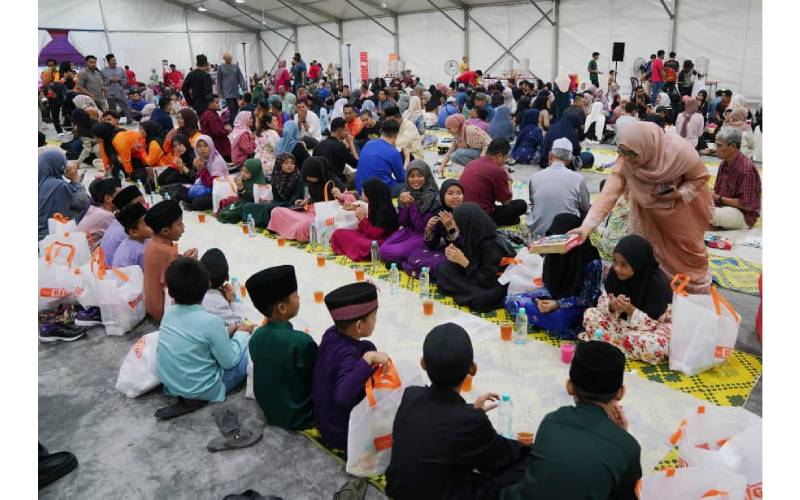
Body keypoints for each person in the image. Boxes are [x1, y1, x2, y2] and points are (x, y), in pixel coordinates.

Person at [386, 323, 529, 500]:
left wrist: (470, 412)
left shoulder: (410, 396)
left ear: (423, 363)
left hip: (398, 492)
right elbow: (507, 455)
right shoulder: (470, 421)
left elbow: (439, 425)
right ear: (472, 369)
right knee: (523, 465)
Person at [571, 121, 713, 294]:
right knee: (649, 254)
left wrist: (679, 193)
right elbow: (609, 194)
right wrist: (586, 227)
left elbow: (699, 177)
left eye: (632, 154)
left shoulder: (681, 152)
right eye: (622, 152)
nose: (627, 158)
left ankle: (690, 293)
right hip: (647, 214)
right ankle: (656, 294)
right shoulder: (625, 160)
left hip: (680, 215)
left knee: (687, 258)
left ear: (647, 147)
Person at [502, 341, 641, 500]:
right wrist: (621, 436)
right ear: (620, 393)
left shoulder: (551, 421)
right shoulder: (628, 447)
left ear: (569, 386)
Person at [155, 257, 252, 418]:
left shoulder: (169, 313)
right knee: (249, 350)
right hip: (203, 390)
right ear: (207, 286)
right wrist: (242, 333)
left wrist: (230, 330)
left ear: (170, 292)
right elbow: (229, 361)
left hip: (171, 385)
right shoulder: (211, 322)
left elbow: (197, 335)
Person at [312, 282, 389, 449]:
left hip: (324, 419)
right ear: (359, 326)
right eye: (374, 317)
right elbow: (342, 396)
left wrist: (363, 293)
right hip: (341, 433)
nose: (375, 321)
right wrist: (367, 358)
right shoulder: (349, 355)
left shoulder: (331, 333)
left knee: (367, 346)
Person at [506, 214, 602, 339]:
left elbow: (588, 298)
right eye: (555, 239)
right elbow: (547, 284)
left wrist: (558, 304)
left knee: (560, 318)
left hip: (574, 306)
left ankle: (542, 321)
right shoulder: (553, 252)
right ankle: (544, 320)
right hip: (552, 299)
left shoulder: (590, 259)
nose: (558, 244)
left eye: (562, 240)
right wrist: (541, 300)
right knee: (512, 301)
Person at [580, 235, 673, 365]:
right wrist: (612, 305)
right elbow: (602, 301)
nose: (617, 268)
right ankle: (621, 344)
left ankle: (609, 341)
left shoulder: (656, 284)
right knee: (590, 314)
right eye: (615, 262)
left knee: (657, 345)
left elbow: (656, 323)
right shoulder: (615, 275)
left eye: (624, 265)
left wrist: (631, 310)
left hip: (649, 330)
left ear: (638, 264)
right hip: (621, 326)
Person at [247, 265, 317, 431]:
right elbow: (317, 380)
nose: (299, 298)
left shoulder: (255, 337)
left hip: (269, 412)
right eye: (295, 295)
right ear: (282, 308)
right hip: (300, 415)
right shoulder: (301, 342)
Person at [436, 203, 514, 312]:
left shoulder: (491, 245)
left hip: (495, 280)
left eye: (457, 222)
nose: (456, 225)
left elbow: (486, 282)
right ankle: (464, 292)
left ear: (468, 223)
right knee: (444, 268)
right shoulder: (474, 234)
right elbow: (463, 249)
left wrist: (464, 262)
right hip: (476, 272)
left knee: (482, 299)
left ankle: (462, 291)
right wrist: (451, 231)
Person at [378, 160, 443, 274]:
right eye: (412, 176)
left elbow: (422, 228)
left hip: (425, 236)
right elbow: (403, 222)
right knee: (383, 250)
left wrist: (411, 206)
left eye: (420, 175)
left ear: (427, 176)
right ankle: (411, 258)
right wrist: (405, 206)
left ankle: (407, 263)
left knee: (395, 252)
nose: (416, 180)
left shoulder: (434, 198)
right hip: (408, 232)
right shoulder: (405, 193)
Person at [267, 157, 349, 242]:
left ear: (319, 173)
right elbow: (314, 197)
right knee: (276, 211)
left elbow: (352, 200)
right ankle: (291, 230)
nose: (308, 178)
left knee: (306, 225)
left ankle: (292, 231)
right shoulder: (312, 181)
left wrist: (340, 196)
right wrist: (305, 201)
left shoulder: (334, 182)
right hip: (308, 211)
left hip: (322, 215)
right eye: (307, 176)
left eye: (310, 176)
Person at [143, 200, 198, 325]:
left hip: (152, 306)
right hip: (164, 312)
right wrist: (189, 264)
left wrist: (182, 259)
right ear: (165, 231)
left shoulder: (151, 243)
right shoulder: (168, 253)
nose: (183, 228)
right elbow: (178, 284)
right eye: (179, 224)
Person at [528, 138, 591, 236]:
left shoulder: (535, 177)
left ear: (550, 155)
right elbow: (585, 207)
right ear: (569, 160)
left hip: (538, 232)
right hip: (565, 234)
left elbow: (533, 202)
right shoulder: (578, 179)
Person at [460, 138, 527, 227]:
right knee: (521, 205)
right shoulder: (497, 171)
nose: (506, 161)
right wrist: (508, 179)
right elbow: (506, 202)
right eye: (506, 158)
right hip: (482, 216)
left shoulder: (472, 163)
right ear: (499, 156)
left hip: (463, 212)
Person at [331, 178, 399, 261]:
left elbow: (376, 235)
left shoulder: (385, 211)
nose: (361, 193)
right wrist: (355, 208)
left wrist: (362, 219)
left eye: (364, 191)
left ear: (371, 193)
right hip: (369, 236)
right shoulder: (373, 204)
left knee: (368, 245)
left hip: (382, 241)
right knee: (338, 233)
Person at [711, 127, 762, 229]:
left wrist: (718, 198)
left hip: (743, 215)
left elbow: (748, 206)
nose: (716, 149)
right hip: (724, 207)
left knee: (705, 213)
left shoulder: (746, 170)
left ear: (733, 146)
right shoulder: (724, 164)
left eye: (719, 145)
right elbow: (717, 191)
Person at [37, 148, 90, 240]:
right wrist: (75, 180)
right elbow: (83, 201)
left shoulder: (41, 180)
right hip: (49, 236)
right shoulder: (59, 185)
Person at [243, 153, 304, 228]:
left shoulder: (298, 178)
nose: (289, 165)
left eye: (292, 163)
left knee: (271, 208)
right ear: (279, 164)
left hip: (289, 205)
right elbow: (268, 194)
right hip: (273, 203)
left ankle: (266, 224)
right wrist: (265, 199)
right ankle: (257, 222)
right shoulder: (273, 178)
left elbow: (296, 198)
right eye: (285, 163)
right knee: (248, 205)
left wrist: (277, 203)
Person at [355, 119, 407, 196]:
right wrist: (407, 158)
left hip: (360, 189)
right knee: (410, 184)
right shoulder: (393, 152)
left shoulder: (368, 144)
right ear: (397, 134)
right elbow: (402, 178)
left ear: (380, 131)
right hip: (377, 193)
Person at [198, 249, 246, 326]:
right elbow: (239, 322)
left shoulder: (190, 288)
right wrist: (233, 301)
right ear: (227, 277)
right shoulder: (218, 302)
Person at [98, 185, 144, 265]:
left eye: (144, 203)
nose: (144, 208)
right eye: (140, 204)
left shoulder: (120, 221)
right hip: (116, 271)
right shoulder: (127, 229)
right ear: (127, 208)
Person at [186, 134, 229, 211]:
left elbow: (214, 185)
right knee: (185, 192)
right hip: (208, 189)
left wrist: (202, 169)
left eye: (205, 146)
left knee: (197, 202)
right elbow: (198, 180)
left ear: (211, 146)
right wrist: (199, 169)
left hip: (220, 193)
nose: (202, 149)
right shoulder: (202, 159)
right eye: (199, 146)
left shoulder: (216, 161)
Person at [217, 158, 267, 224]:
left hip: (250, 206)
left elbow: (252, 199)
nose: (243, 174)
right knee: (223, 211)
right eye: (242, 170)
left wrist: (242, 189)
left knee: (229, 215)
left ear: (254, 172)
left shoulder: (260, 184)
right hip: (241, 203)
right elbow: (241, 196)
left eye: (247, 172)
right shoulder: (246, 180)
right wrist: (240, 188)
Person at [76, 178, 120, 250]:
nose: (124, 197)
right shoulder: (106, 216)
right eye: (119, 194)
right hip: (86, 255)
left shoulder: (95, 208)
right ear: (107, 198)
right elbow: (124, 235)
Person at [314, 117, 359, 187]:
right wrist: (351, 143)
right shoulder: (339, 146)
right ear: (339, 130)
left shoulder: (319, 144)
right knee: (358, 174)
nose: (346, 133)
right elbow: (356, 164)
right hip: (336, 183)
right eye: (345, 130)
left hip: (319, 183)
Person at [109, 202, 150, 270]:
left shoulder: (128, 241)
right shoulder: (140, 251)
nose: (153, 225)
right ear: (134, 232)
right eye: (148, 224)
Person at [217, 52, 248, 125]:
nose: (229, 60)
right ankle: (235, 124)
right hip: (226, 92)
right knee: (232, 108)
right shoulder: (221, 67)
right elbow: (219, 80)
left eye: (230, 59)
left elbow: (240, 77)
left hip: (235, 91)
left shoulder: (235, 67)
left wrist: (244, 88)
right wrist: (219, 92)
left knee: (237, 108)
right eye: (227, 59)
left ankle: (234, 122)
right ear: (224, 59)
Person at [199, 95, 232, 162]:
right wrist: (227, 131)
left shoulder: (206, 114)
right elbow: (217, 132)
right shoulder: (211, 116)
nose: (219, 105)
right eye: (216, 103)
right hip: (219, 146)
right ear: (210, 104)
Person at [101, 54, 132, 123]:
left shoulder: (120, 69)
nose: (114, 62)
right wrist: (109, 80)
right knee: (112, 109)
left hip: (120, 92)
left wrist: (119, 80)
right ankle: (114, 122)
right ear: (108, 62)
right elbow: (101, 82)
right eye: (112, 60)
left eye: (115, 60)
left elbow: (126, 79)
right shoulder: (102, 71)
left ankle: (130, 120)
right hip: (110, 93)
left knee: (125, 106)